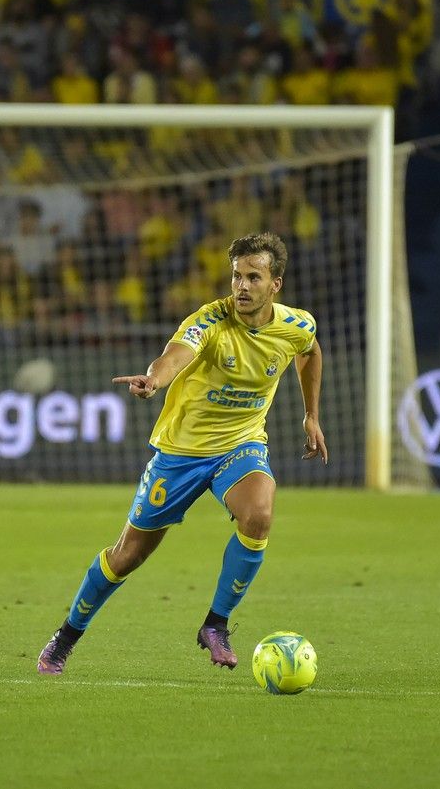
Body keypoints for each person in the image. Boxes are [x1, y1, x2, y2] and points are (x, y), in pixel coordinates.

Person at [37, 232, 328, 675]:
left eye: (254, 276)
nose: (242, 286)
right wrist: (154, 380)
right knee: (127, 556)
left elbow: (309, 352)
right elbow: (174, 355)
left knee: (260, 515)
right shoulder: (210, 321)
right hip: (181, 454)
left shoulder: (297, 325)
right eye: (236, 276)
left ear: (276, 284)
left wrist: (311, 415)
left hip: (240, 444)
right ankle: (66, 636)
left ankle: (216, 624)